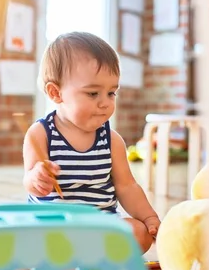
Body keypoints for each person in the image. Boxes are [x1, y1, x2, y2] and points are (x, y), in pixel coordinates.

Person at [22, 31, 160, 253]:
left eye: (111, 93)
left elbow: (127, 186)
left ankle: (83, 253)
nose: (105, 103)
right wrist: (37, 178)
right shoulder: (40, 134)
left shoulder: (112, 141)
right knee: (25, 233)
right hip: (54, 227)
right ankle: (83, 254)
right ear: (56, 93)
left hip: (100, 226)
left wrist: (148, 216)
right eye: (93, 93)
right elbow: (30, 182)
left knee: (139, 233)